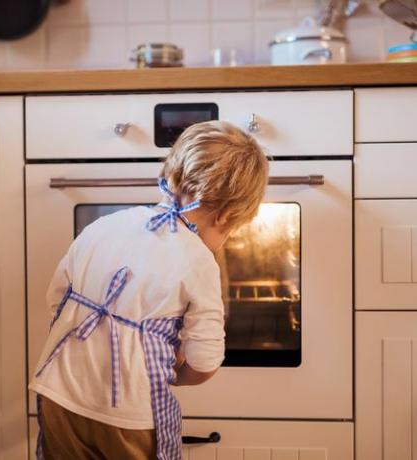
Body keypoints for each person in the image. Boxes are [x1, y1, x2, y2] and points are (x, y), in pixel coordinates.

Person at [29, 120, 269, 460]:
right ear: (227, 216)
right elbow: (204, 360)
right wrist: (177, 375)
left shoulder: (107, 224)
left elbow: (57, 299)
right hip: (128, 415)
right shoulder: (199, 260)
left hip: (58, 395)